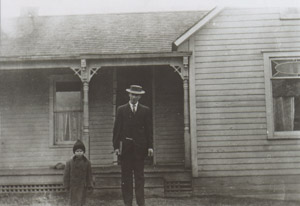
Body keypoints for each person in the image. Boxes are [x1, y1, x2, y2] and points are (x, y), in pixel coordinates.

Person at [113, 85, 154, 206]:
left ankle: (141, 203)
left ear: (140, 96)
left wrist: (150, 146)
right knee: (126, 178)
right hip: (126, 150)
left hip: (139, 150)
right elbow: (117, 130)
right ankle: (128, 203)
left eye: (137, 95)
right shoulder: (121, 110)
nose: (134, 97)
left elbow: (148, 130)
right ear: (129, 95)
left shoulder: (145, 110)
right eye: (132, 94)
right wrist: (115, 147)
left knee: (139, 178)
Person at [63, 140, 93, 206]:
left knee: (81, 201)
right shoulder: (69, 162)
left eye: (81, 151)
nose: (79, 153)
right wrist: (66, 185)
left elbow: (89, 175)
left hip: (82, 186)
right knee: (73, 201)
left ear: (83, 152)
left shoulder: (87, 162)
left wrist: (90, 185)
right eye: (77, 151)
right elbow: (66, 175)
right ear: (74, 152)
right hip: (73, 185)